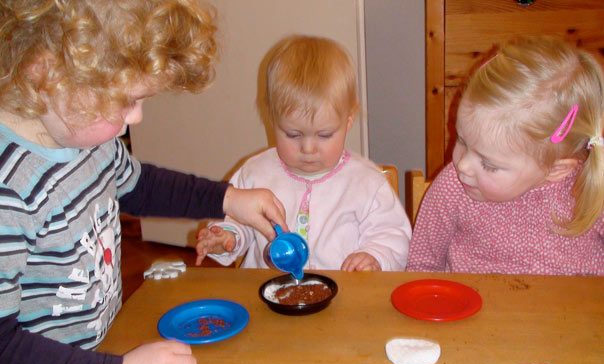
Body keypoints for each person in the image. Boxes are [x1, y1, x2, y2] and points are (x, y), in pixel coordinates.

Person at [0, 1, 287, 364]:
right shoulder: (9, 190)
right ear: (44, 72)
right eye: (126, 99)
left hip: (95, 355)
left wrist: (228, 198)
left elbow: (141, 185)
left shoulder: (89, 143)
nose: (137, 118)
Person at [195, 34, 412, 272]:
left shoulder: (367, 183)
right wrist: (227, 238)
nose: (308, 149)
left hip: (341, 297)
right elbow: (238, 219)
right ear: (273, 120)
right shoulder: (255, 173)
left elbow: (394, 236)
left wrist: (375, 256)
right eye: (293, 135)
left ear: (349, 120)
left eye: (325, 135)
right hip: (266, 297)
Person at [407, 36, 604, 275]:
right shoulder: (452, 188)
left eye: (489, 165)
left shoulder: (590, 192)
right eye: (461, 140)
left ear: (555, 169)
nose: (463, 166)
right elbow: (421, 267)